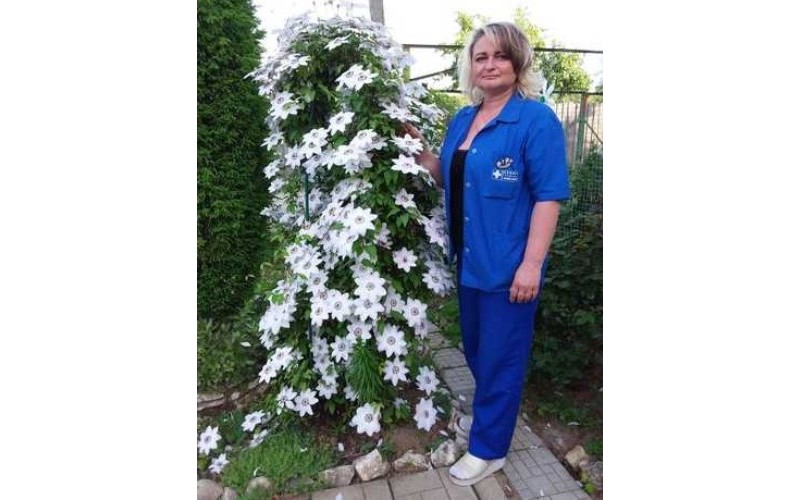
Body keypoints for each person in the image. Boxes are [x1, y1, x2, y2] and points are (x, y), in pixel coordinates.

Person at [405, 21, 570, 486]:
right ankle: (490, 421)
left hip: (509, 268)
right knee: (479, 352)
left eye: (499, 56)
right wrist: (422, 154)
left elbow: (549, 196)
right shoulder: (463, 119)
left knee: (501, 358)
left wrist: (531, 265)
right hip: (469, 262)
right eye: (481, 57)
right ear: (471, 67)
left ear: (517, 62)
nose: (490, 65)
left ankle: (489, 449)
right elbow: (451, 179)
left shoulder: (535, 121)